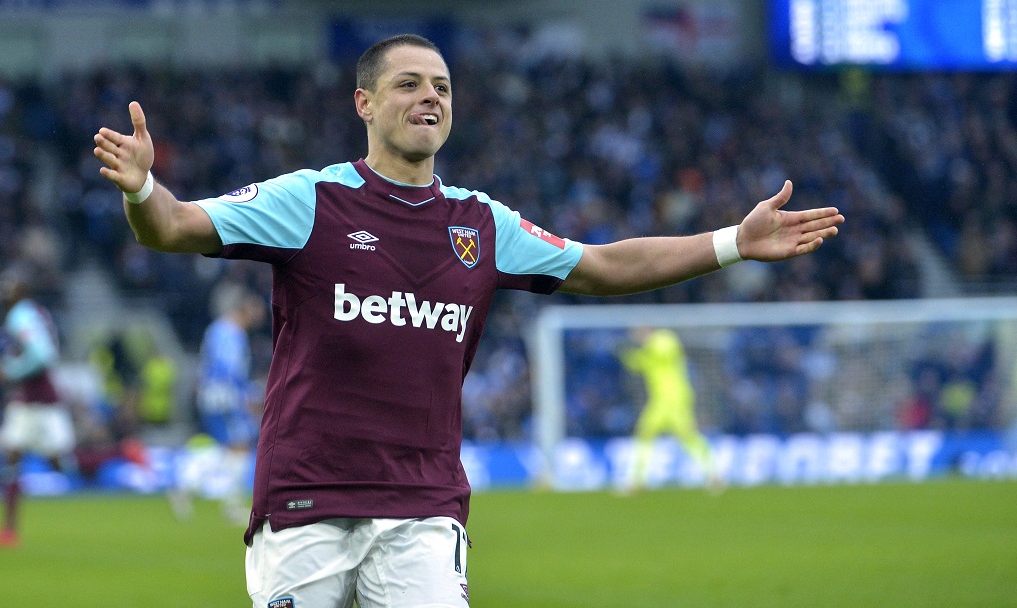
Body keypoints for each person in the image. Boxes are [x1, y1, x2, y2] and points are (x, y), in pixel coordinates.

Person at [93, 33, 843, 608]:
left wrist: (731, 244)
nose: (431, 97)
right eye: (409, 84)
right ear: (364, 104)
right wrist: (142, 188)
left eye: (443, 88)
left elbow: (602, 266)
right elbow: (175, 227)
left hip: (423, 508)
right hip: (307, 500)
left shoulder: (480, 223)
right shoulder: (311, 201)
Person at [0, 268, 75, 548]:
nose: (4, 292)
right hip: (35, 396)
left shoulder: (20, 315)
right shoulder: (36, 312)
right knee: (23, 455)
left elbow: (42, 354)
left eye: (9, 286)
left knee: (57, 462)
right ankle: (8, 530)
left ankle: (121, 453)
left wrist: (9, 370)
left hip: (35, 396)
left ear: (22, 290)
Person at [169, 289, 266, 524]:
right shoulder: (230, 333)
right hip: (224, 396)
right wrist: (248, 396)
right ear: (245, 308)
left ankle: (189, 488)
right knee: (239, 445)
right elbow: (228, 369)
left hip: (212, 394)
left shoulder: (218, 329)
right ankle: (226, 504)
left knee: (230, 447)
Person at [618, 328, 722, 494]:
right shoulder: (648, 352)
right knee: (645, 433)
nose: (637, 338)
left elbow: (668, 351)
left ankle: (713, 472)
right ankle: (637, 480)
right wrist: (625, 354)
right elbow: (637, 364)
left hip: (675, 398)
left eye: (638, 333)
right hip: (660, 401)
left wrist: (645, 349)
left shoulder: (664, 338)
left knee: (687, 436)